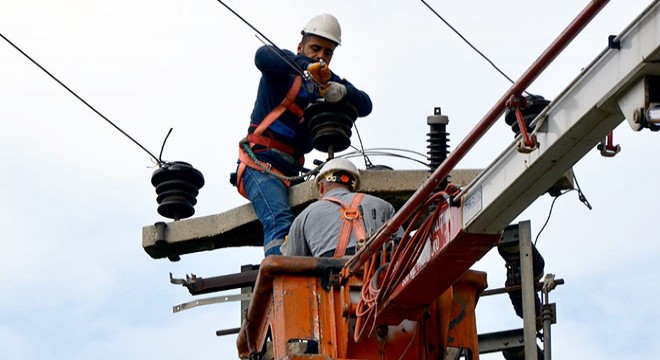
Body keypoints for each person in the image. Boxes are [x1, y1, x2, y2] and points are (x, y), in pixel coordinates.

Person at [232, 14, 373, 257]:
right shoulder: (280, 72)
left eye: (327, 52)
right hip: (260, 166)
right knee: (279, 221)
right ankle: (281, 280)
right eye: (315, 48)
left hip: (292, 174)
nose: (321, 56)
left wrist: (341, 91)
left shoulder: (325, 83)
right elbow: (262, 55)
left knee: (309, 224)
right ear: (301, 47)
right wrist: (304, 66)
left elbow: (366, 104)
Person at [283, 158, 401, 257]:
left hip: (329, 278)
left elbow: (290, 266)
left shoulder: (304, 217)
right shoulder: (384, 205)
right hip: (381, 277)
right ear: (354, 186)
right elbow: (404, 246)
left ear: (321, 187)